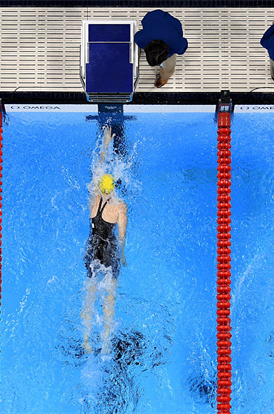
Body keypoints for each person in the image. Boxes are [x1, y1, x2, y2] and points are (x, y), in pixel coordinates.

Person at [82, 125, 128, 354]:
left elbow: (99, 166)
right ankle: (107, 342)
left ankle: (86, 339)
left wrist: (105, 142)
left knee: (90, 292)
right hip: (109, 250)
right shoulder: (120, 206)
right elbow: (121, 236)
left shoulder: (94, 197)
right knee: (109, 297)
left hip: (91, 248)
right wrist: (122, 255)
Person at [134, 9, 188, 88]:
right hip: (153, 17)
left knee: (168, 68)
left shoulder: (176, 44)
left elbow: (183, 46)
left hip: (160, 19)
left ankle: (164, 77)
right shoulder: (141, 39)